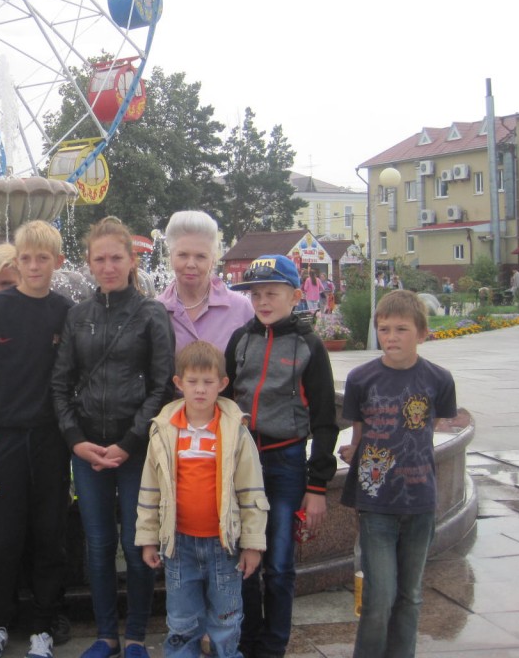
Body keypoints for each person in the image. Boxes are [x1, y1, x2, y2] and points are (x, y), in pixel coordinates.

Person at [51, 217, 175, 658]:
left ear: (132, 260)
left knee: (137, 543)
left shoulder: (151, 313)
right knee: (99, 543)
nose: (108, 267)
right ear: (88, 262)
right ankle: (106, 635)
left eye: (116, 258)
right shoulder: (77, 315)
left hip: (136, 450)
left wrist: (129, 442)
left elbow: (162, 386)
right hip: (87, 449)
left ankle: (136, 634)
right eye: (100, 259)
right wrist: (74, 440)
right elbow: (61, 383)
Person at [224, 255, 338, 658]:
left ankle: (273, 647)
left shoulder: (309, 346)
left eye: (272, 293)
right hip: (243, 464)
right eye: (256, 294)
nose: (262, 302)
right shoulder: (240, 340)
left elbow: (325, 420)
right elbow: (224, 403)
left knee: (279, 564)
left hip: (285, 463)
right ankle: (247, 641)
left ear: (295, 295)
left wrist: (317, 485)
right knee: (243, 560)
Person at [0, 221, 74, 658]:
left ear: (57, 262)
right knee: (3, 536)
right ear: (16, 262)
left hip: (50, 441)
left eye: (42, 258)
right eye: (26, 259)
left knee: (49, 534)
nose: (33, 266)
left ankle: (42, 627)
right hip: (5, 440)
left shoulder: (65, 310)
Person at [338, 291, 456, 658]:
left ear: (421, 333)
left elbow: (431, 428)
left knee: (410, 595)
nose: (391, 337)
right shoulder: (361, 378)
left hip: (420, 501)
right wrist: (354, 451)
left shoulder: (439, 379)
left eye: (401, 329)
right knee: (379, 595)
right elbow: (358, 434)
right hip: (376, 503)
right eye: (384, 329)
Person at [136, 341, 268, 658]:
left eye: (208, 382)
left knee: (226, 621)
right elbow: (150, 490)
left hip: (224, 546)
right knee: (182, 622)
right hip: (179, 545)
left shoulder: (235, 432)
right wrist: (148, 539)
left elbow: (251, 491)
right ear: (178, 383)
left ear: (222, 384)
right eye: (192, 381)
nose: (199, 389)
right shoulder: (163, 432)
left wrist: (252, 544)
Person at [156, 211, 253, 353]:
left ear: (213, 259)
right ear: (171, 257)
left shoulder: (241, 309)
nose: (191, 264)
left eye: (200, 256)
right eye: (183, 255)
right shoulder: (156, 311)